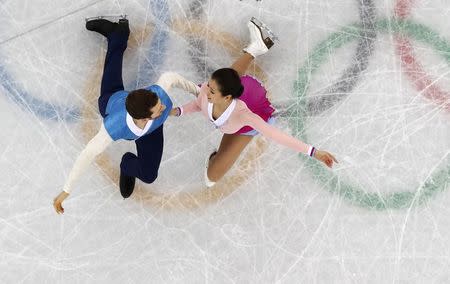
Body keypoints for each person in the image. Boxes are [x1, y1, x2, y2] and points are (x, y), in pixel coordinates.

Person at [53, 17, 199, 214]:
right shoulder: (113, 126)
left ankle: (127, 165)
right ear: (145, 118)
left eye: (160, 102)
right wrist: (65, 191)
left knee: (148, 175)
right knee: (107, 87)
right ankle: (118, 34)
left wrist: (200, 94)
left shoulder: (158, 94)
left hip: (149, 130)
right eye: (159, 109)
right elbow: (87, 154)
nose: (164, 105)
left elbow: (170, 78)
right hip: (112, 101)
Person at [170, 18, 338, 187]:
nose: (204, 90)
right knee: (226, 79)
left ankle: (255, 48)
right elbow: (198, 103)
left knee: (212, 177)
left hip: (248, 114)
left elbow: (275, 135)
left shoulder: (246, 117)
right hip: (230, 108)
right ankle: (255, 48)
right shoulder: (206, 93)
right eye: (207, 87)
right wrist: (176, 111)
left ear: (227, 98)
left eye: (211, 91)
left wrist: (314, 152)